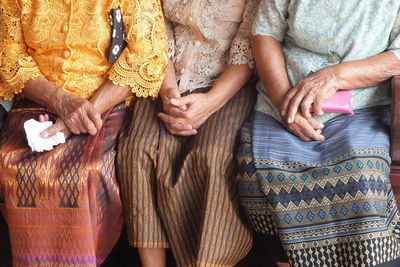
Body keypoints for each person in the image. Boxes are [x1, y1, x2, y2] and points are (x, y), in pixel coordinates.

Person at [0, 0, 167, 266]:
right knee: (13, 161)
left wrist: (78, 115)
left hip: (106, 102)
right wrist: (60, 102)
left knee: (85, 172)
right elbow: (9, 56)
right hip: (39, 98)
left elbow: (144, 55)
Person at [237, 0, 400, 266]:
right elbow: (265, 34)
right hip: (282, 97)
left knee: (361, 175)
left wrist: (334, 76)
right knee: (256, 171)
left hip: (362, 104)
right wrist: (284, 105)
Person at [116, 0, 263, 266]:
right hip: (164, 75)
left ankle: (207, 262)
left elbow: (247, 49)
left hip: (225, 83)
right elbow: (156, 31)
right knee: (137, 149)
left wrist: (209, 104)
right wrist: (169, 94)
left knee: (211, 156)